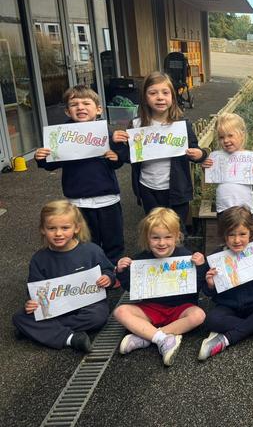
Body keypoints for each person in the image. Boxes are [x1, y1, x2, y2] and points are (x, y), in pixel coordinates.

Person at [34, 85, 125, 265]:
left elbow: (117, 162)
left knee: (113, 240)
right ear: (68, 111)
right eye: (74, 104)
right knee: (85, 243)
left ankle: (113, 270)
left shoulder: (107, 133)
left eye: (86, 103)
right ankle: (89, 272)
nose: (80, 107)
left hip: (107, 198)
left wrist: (116, 155)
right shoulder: (61, 136)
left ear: (98, 109)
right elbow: (52, 163)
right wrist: (41, 158)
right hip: (78, 201)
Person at [13, 200, 114, 352]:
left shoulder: (91, 251)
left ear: (76, 228)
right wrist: (32, 302)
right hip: (56, 308)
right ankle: (71, 339)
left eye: (65, 228)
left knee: (98, 316)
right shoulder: (39, 259)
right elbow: (35, 288)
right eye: (51, 228)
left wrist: (108, 279)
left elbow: (109, 270)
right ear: (43, 229)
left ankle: (40, 331)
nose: (58, 233)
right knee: (20, 317)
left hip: (88, 306)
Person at [113, 207, 207, 366]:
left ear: (176, 237)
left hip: (180, 308)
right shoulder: (140, 260)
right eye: (155, 238)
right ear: (147, 238)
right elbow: (133, 289)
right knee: (120, 311)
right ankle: (163, 339)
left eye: (168, 237)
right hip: (151, 308)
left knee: (198, 315)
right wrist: (122, 272)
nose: (162, 243)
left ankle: (147, 336)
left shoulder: (186, 257)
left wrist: (201, 267)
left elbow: (197, 287)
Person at [112, 71, 208, 225]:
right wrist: (117, 144)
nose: (160, 97)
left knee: (176, 229)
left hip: (177, 190)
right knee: (154, 228)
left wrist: (200, 155)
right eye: (153, 93)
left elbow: (194, 149)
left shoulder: (181, 125)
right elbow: (130, 156)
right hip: (148, 188)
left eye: (165, 92)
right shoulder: (136, 125)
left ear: (172, 97)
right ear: (145, 97)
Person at [198, 206, 253, 360]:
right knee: (211, 320)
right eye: (231, 234)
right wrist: (210, 284)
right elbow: (207, 291)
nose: (237, 240)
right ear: (224, 235)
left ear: (251, 232)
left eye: (242, 234)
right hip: (226, 306)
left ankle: (226, 340)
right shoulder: (216, 257)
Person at [201, 112, 253, 215]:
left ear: (242, 135)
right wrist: (205, 168)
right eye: (221, 137)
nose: (226, 140)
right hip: (223, 209)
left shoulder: (250, 158)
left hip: (245, 211)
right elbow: (212, 177)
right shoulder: (216, 158)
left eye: (230, 135)